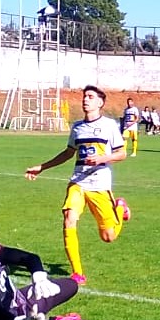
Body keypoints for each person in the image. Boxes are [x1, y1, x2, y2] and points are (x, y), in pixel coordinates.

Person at [25, 85, 128, 285]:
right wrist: (42, 167)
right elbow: (68, 153)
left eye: (90, 97)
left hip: (99, 185)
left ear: (100, 102)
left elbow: (121, 153)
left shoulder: (109, 126)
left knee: (109, 236)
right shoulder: (77, 127)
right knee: (68, 218)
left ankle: (120, 208)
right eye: (84, 96)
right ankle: (77, 273)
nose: (85, 100)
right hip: (78, 182)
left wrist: (102, 158)